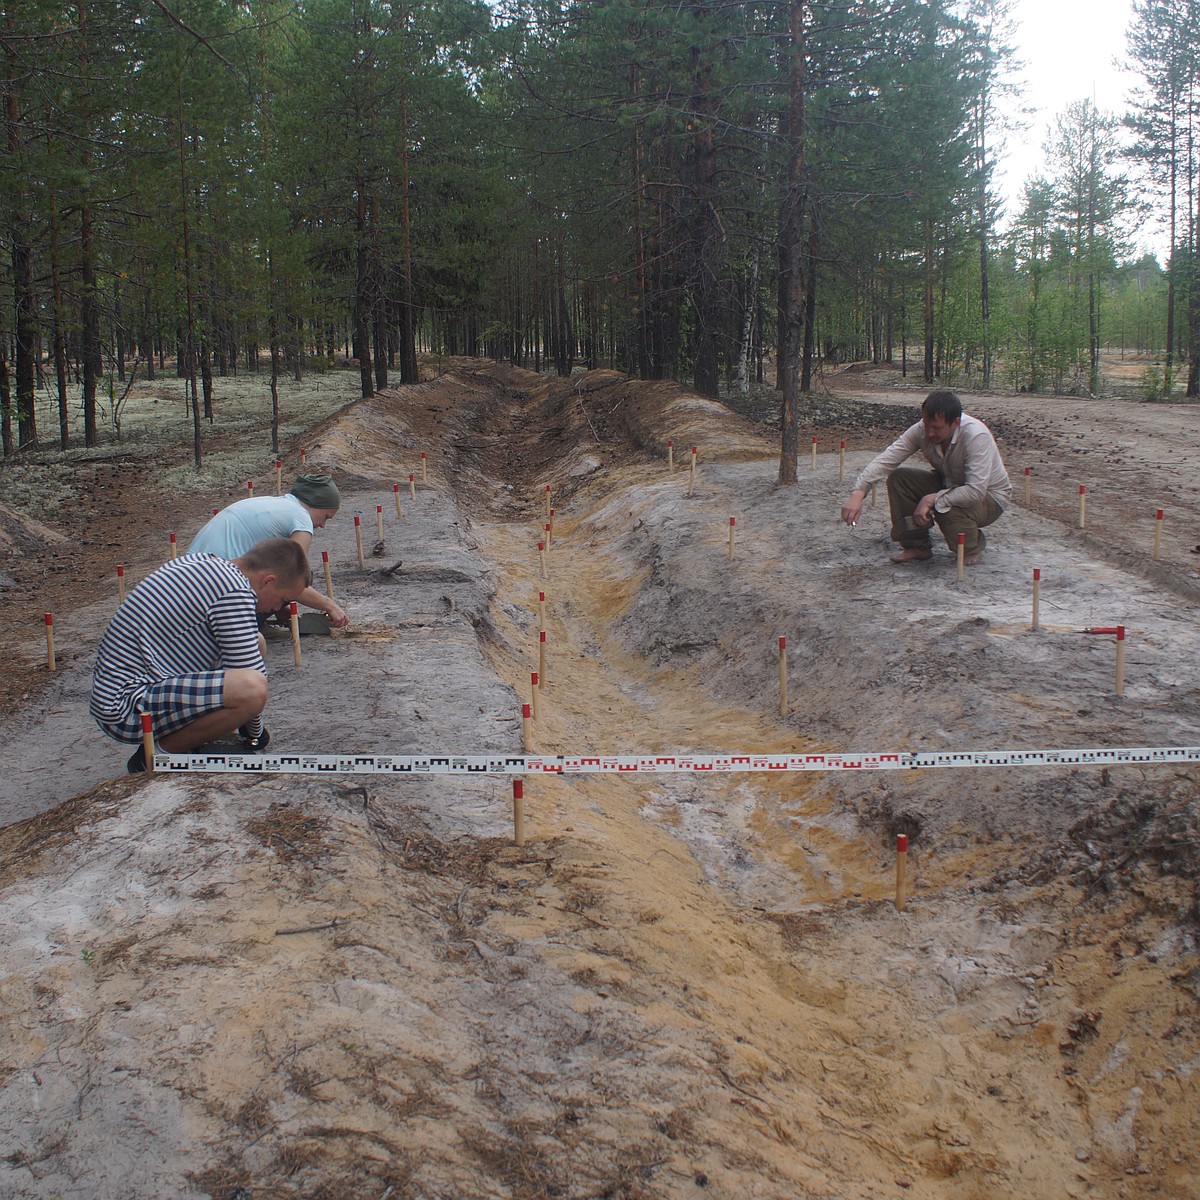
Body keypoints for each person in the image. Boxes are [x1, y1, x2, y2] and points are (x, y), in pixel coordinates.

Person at [90, 538, 312, 773]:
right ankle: (154, 759)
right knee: (252, 691)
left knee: (255, 642)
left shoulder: (210, 564)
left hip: (127, 691)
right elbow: (250, 675)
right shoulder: (235, 591)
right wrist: (255, 734)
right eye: (283, 600)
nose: (278, 609)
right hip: (127, 706)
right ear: (269, 581)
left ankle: (184, 742)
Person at [840, 389, 1011, 565]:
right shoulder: (921, 430)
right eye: (927, 425)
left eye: (936, 428)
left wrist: (932, 499)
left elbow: (975, 491)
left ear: (956, 423)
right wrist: (858, 493)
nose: (929, 433)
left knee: (944, 505)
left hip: (989, 497)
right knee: (900, 479)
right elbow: (886, 460)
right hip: (949, 484)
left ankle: (970, 547)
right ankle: (916, 546)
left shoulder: (976, 436)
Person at [188, 472, 350, 628]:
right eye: (326, 517)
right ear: (316, 504)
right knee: (303, 575)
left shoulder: (272, 503)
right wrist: (329, 606)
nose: (323, 525)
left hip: (190, 580)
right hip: (215, 593)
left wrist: (278, 603)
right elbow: (295, 576)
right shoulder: (301, 517)